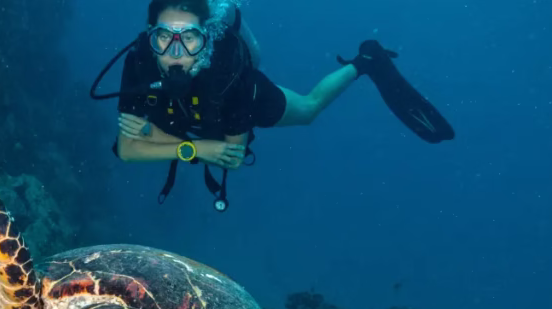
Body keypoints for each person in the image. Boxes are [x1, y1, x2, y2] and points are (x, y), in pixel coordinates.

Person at [89, 0, 454, 211]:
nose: (176, 53)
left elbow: (231, 156)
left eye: (191, 39)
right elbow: (127, 149)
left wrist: (157, 138)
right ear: (148, 36)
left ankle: (365, 62)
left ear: (208, 40)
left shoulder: (227, 72)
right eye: (164, 37)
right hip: (196, 127)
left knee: (309, 109)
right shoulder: (137, 60)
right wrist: (196, 147)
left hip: (240, 100)